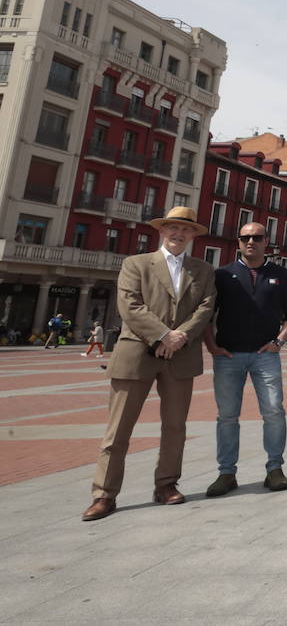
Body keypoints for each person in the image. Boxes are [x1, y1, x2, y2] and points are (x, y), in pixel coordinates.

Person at [82, 206, 216, 522]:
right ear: (162, 231)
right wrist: (163, 336)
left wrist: (180, 336)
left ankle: (167, 485)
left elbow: (206, 307)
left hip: (181, 355)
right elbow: (130, 306)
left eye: (186, 230)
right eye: (173, 227)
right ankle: (104, 494)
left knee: (175, 427)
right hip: (136, 354)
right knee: (118, 430)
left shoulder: (203, 270)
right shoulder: (136, 264)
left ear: (193, 235)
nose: (179, 234)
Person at [203, 222, 287, 496]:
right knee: (227, 416)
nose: (251, 242)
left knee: (273, 411)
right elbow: (205, 315)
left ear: (266, 241)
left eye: (257, 237)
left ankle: (274, 469)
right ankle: (226, 473)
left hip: (265, 356)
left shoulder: (281, 275)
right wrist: (212, 346)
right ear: (238, 241)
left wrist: (279, 341)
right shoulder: (222, 275)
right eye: (245, 237)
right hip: (228, 355)